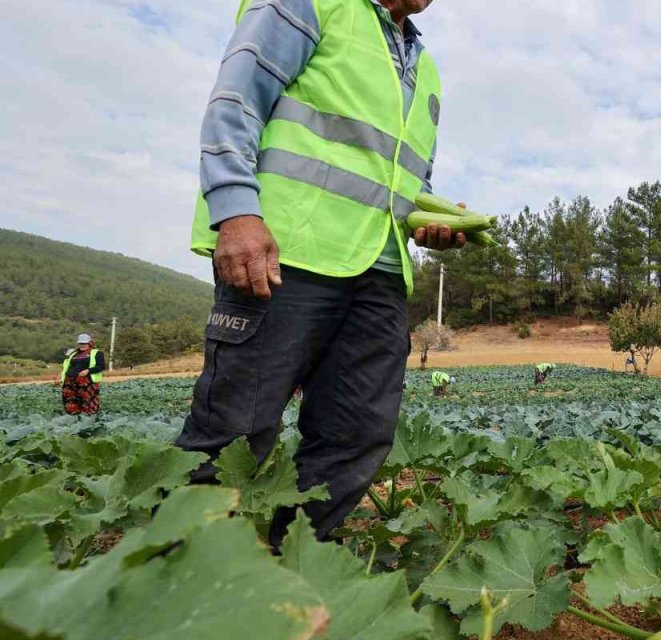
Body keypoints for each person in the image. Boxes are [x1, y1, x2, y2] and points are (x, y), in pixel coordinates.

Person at [174, 0, 466, 547]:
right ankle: (183, 573)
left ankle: (293, 562)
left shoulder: (424, 67)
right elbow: (237, 101)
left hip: (380, 269)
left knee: (357, 435)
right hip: (286, 254)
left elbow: (405, 180)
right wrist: (236, 210)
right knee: (234, 432)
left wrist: (431, 221)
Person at [60, 333, 105, 416]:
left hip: (87, 382)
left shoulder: (97, 353)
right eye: (80, 343)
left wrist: (88, 371)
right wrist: (62, 380)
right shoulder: (73, 354)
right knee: (70, 402)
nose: (82, 345)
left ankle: (88, 420)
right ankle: (73, 418)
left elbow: (101, 366)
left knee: (88, 402)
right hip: (70, 381)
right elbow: (66, 367)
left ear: (90, 343)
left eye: (84, 343)